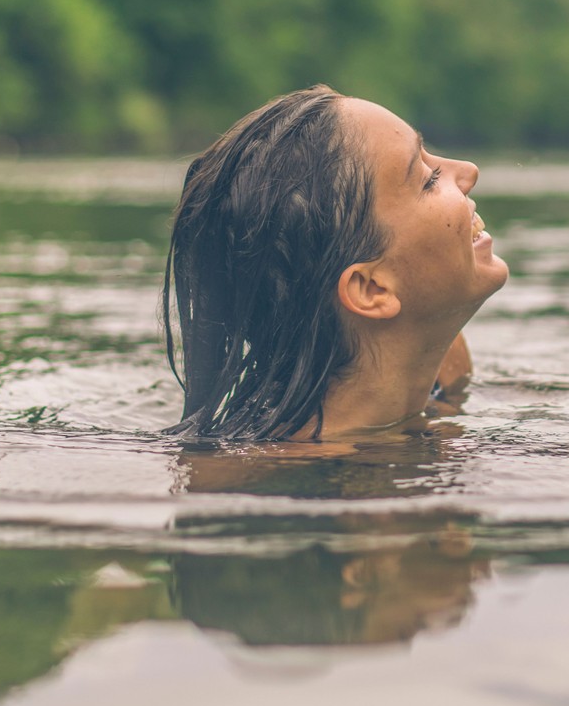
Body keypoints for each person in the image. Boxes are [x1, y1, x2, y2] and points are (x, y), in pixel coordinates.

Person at [163, 85, 508, 441]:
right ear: (371, 289)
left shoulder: (439, 357)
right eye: (428, 180)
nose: (469, 171)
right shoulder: (277, 475)